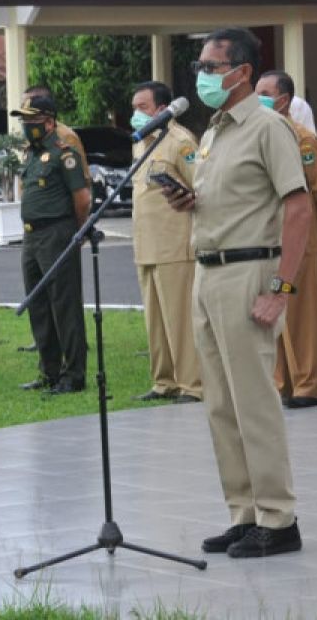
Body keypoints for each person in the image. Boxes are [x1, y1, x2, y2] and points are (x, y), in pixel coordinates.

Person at [165, 27, 309, 558]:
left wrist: (281, 289)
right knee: (221, 404)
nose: (201, 75)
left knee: (253, 401)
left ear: (242, 71)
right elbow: (228, 198)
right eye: (200, 66)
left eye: (210, 66)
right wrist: (190, 202)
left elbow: (297, 210)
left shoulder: (268, 128)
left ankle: (279, 517)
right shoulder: (212, 132)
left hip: (250, 271)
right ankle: (244, 511)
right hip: (208, 271)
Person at [256, 69, 317, 409]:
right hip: (273, 236)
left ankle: (308, 385)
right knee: (278, 311)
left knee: (300, 313)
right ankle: (284, 381)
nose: (256, 97)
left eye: (264, 92)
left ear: (284, 100)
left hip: (301, 236)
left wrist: (316, 227)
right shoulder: (265, 134)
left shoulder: (301, 137)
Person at [130, 80, 203, 404]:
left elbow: (200, 188)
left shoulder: (180, 141)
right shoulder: (141, 142)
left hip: (175, 245)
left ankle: (192, 384)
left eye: (142, 107)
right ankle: (164, 381)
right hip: (146, 245)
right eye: (133, 107)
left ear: (162, 109)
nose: (136, 114)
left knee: (180, 320)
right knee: (156, 321)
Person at [14, 95, 92, 395]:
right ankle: (49, 371)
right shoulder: (33, 155)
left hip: (57, 232)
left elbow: (82, 199)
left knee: (64, 305)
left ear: (49, 122)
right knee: (39, 304)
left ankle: (73, 375)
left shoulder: (65, 153)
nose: (26, 126)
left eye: (32, 121)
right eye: (24, 121)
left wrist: (76, 230)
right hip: (32, 237)